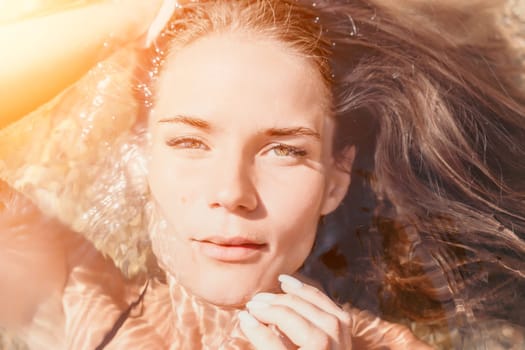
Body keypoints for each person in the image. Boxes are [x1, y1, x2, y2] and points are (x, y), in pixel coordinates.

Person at [0, 0, 524, 349]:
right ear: (142, 160)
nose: (231, 193)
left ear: (336, 181)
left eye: (283, 150)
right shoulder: (70, 293)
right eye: (188, 141)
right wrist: (149, 11)